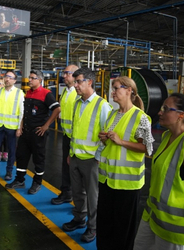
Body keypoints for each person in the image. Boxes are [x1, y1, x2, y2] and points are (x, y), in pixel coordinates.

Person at [134, 93, 184, 250]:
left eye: (166, 109)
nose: (160, 112)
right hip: (154, 215)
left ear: (181, 115)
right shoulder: (168, 136)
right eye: (162, 108)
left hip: (177, 226)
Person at [96, 76, 154, 250]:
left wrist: (121, 142)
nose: (112, 92)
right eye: (112, 89)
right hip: (107, 180)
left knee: (122, 229)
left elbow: (147, 148)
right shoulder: (113, 114)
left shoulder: (141, 117)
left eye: (116, 88)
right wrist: (105, 139)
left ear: (129, 90)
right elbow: (111, 146)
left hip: (127, 183)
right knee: (105, 224)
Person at [62, 68, 112, 243]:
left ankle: (93, 227)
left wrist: (98, 157)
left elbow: (106, 135)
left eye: (78, 82)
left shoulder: (102, 105)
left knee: (93, 196)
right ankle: (79, 218)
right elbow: (75, 130)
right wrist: (70, 153)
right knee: (77, 193)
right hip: (75, 156)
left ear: (90, 82)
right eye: (75, 82)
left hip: (91, 160)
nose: (75, 85)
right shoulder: (77, 103)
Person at [5, 70, 61, 194]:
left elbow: (57, 109)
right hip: (26, 132)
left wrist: (46, 126)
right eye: (29, 77)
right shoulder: (28, 93)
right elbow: (25, 112)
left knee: (38, 158)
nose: (29, 80)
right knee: (21, 156)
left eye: (32, 78)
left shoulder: (46, 94)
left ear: (39, 80)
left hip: (38, 133)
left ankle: (37, 183)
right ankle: (20, 180)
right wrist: (21, 126)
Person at [0, 70, 24, 180]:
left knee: (11, 149)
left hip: (12, 127)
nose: (7, 79)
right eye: (6, 76)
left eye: (10, 77)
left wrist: (19, 128)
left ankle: (9, 171)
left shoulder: (19, 93)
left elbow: (22, 112)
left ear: (15, 81)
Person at [51, 64, 79, 205]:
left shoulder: (77, 94)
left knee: (75, 169)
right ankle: (66, 193)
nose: (63, 75)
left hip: (77, 138)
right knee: (66, 166)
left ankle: (77, 200)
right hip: (67, 135)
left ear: (74, 75)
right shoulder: (65, 92)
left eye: (67, 73)